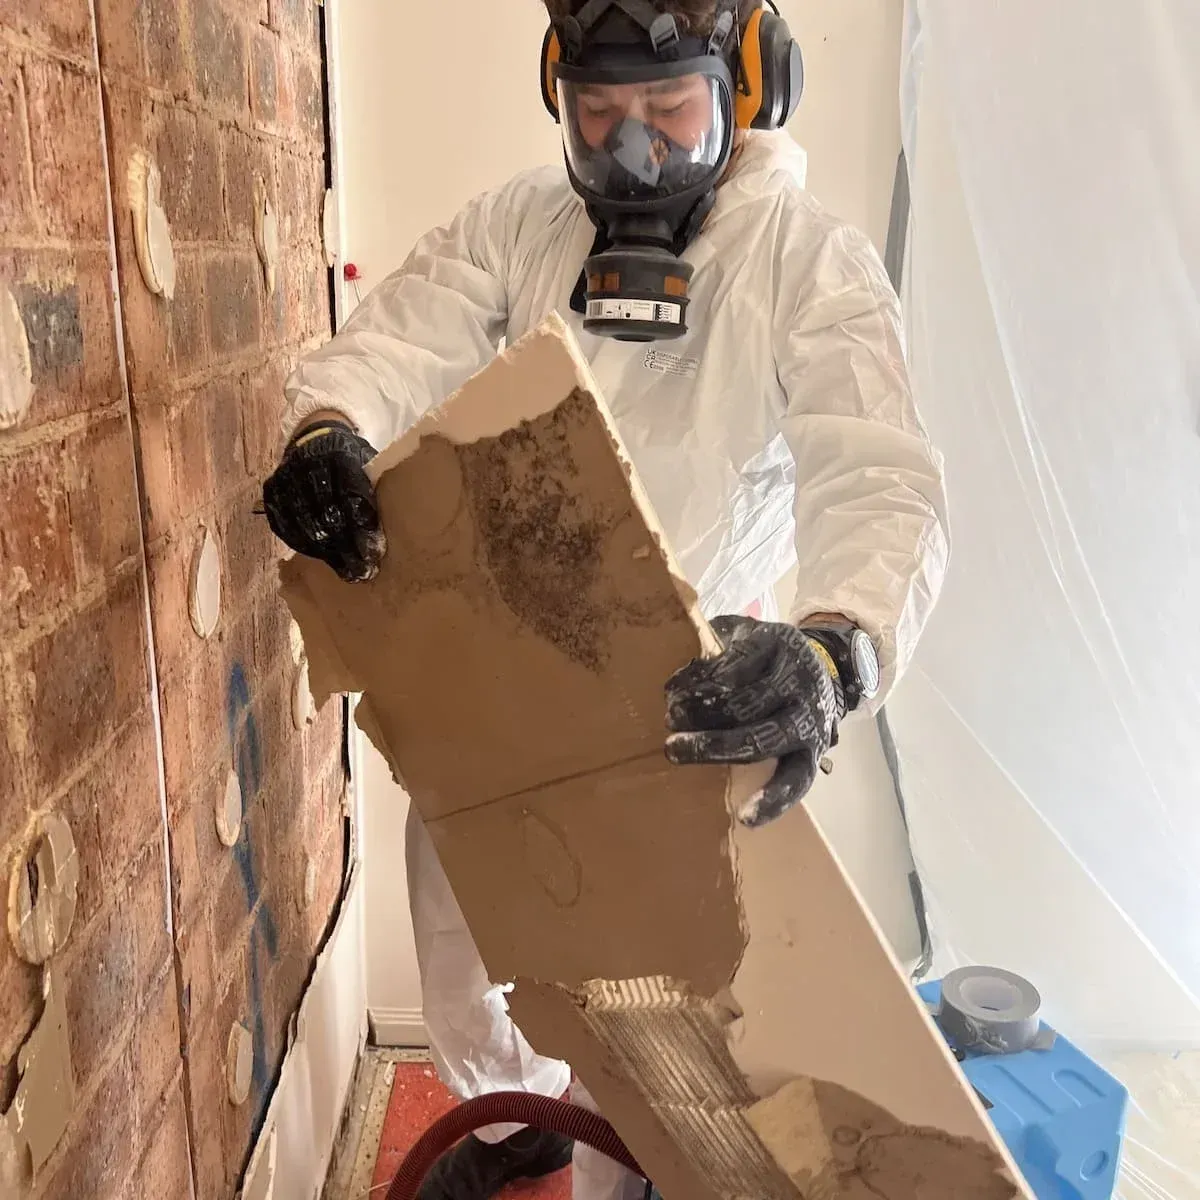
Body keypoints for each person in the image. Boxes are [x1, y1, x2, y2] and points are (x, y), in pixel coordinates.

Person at [263, 0, 949, 1196]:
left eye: (668, 110)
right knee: (466, 920)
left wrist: (837, 650)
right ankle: (504, 1120)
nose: (631, 150)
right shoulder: (526, 225)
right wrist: (330, 429)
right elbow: (402, 333)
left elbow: (877, 471)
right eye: (600, 113)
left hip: (699, 693)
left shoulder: (806, 264)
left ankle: (633, 1165)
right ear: (559, 98)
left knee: (671, 1019)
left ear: (747, 88)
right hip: (510, 659)